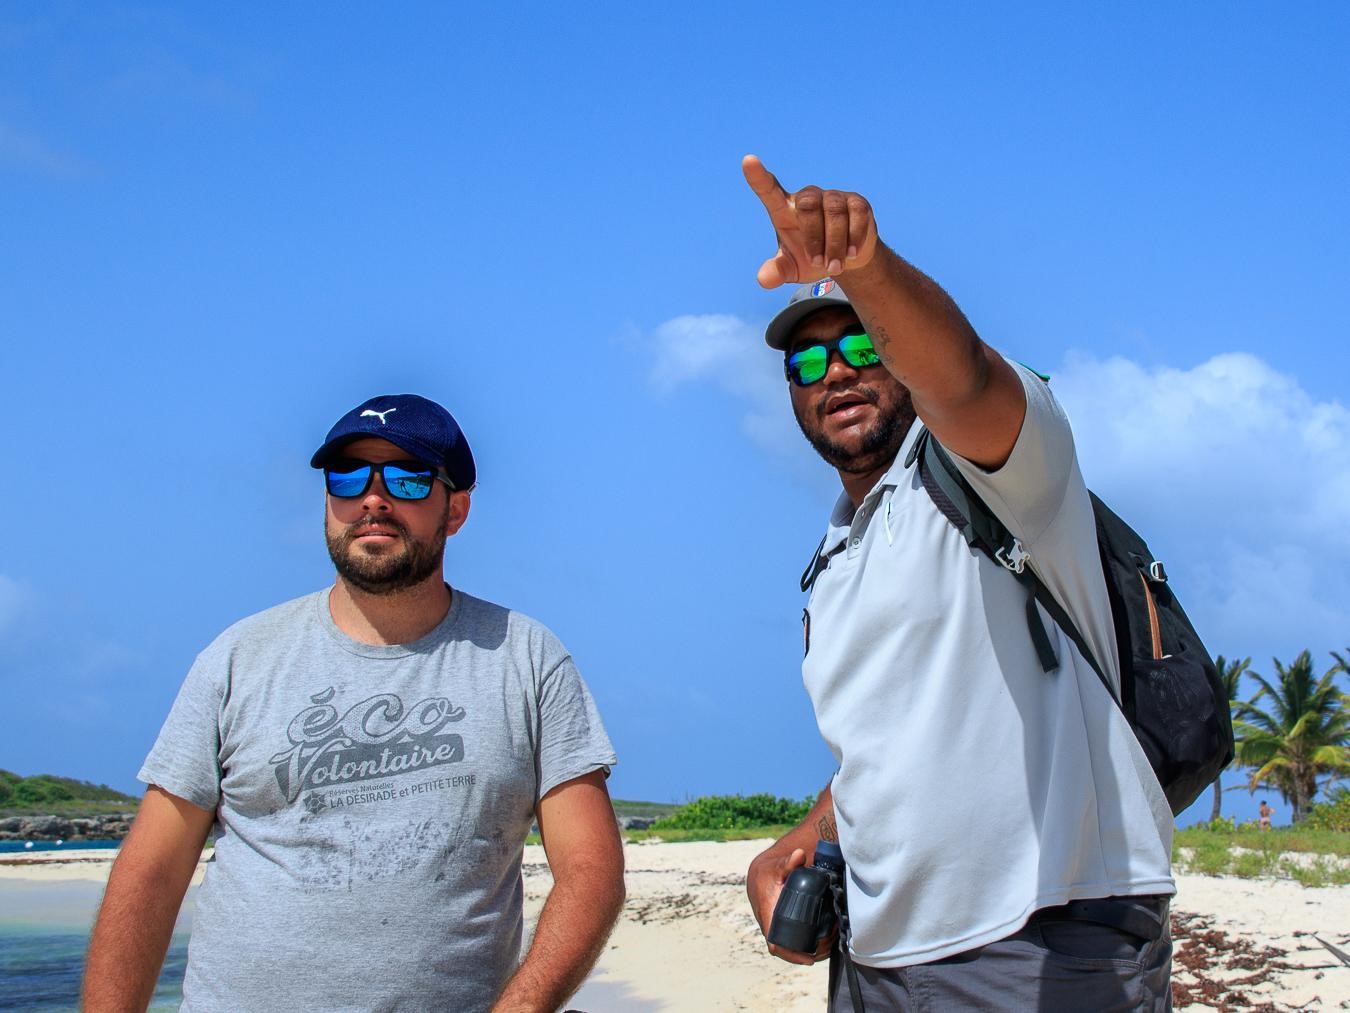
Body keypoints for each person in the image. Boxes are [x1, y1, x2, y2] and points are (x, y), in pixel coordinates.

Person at [739, 156, 1175, 1011]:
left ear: (898, 354)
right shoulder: (835, 555)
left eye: (863, 340)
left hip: (1037, 943)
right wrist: (803, 834)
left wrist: (864, 267)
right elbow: (892, 747)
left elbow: (965, 375)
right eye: (808, 362)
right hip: (878, 958)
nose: (836, 371)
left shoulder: (1000, 471)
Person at [82, 394, 625, 1012]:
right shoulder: (237, 658)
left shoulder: (525, 658)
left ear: (456, 510)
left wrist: (521, 1007)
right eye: (347, 476)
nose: (373, 498)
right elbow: (151, 873)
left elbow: (591, 872)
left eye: (407, 478)